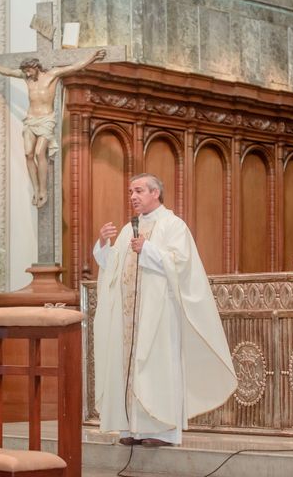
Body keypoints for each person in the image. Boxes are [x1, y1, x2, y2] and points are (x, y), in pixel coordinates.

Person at [93, 173, 237, 447]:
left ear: (155, 193)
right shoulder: (128, 229)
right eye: (130, 192)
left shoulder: (173, 226)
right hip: (129, 319)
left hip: (159, 315)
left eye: (138, 191)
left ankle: (162, 431)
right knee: (130, 368)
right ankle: (132, 429)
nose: (133, 196)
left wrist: (148, 250)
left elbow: (181, 264)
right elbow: (111, 267)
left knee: (158, 367)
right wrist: (103, 244)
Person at [0, 49, 106, 208]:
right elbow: (8, 72)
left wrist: (92, 57)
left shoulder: (53, 74)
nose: (27, 74)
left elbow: (74, 67)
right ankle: (36, 188)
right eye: (25, 71)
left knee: (40, 152)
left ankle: (43, 191)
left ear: (36, 67)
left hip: (46, 119)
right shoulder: (27, 78)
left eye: (29, 71)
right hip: (31, 119)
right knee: (28, 154)